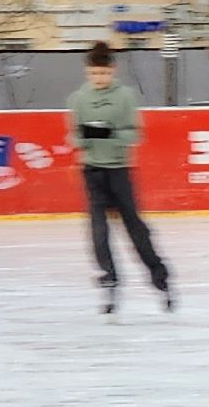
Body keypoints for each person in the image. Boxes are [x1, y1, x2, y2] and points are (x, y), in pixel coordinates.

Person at [66, 41, 171, 314]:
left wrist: (109, 133)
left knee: (135, 229)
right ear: (87, 72)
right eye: (94, 74)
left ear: (113, 71)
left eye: (104, 73)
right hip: (92, 172)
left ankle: (159, 275)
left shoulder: (125, 96)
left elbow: (135, 134)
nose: (99, 79)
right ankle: (109, 277)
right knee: (98, 231)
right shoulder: (78, 99)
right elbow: (73, 136)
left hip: (119, 171)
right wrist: (86, 137)